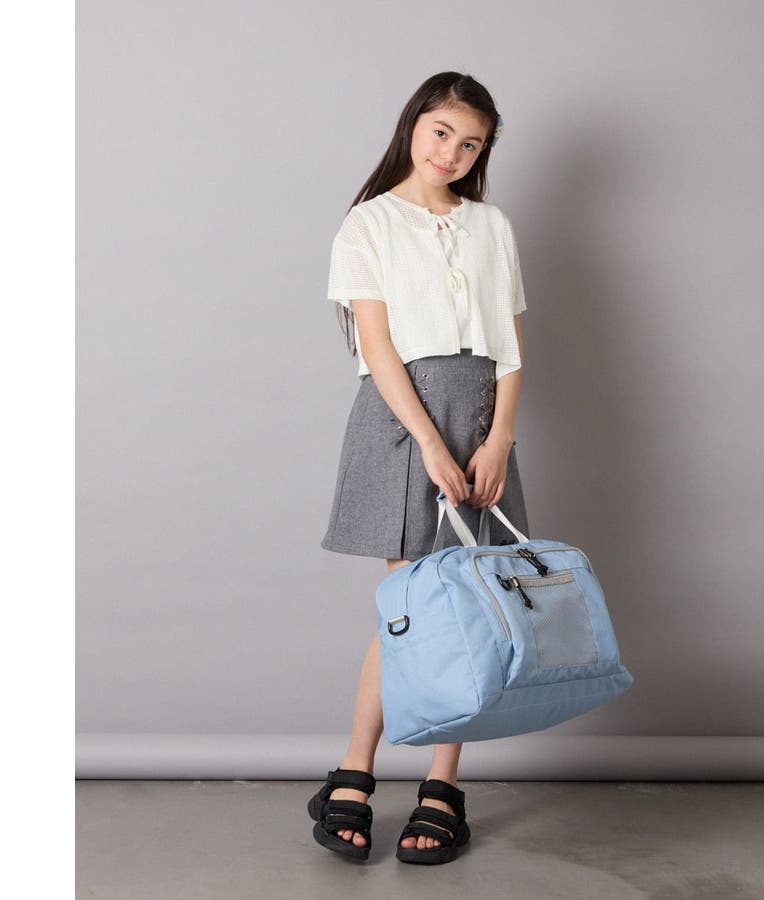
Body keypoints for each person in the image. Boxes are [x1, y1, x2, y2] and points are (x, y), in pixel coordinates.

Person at [310, 71, 530, 865]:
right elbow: (377, 346)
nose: (452, 152)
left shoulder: (491, 225)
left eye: (470, 143)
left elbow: (510, 346)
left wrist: (497, 439)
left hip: (480, 419)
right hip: (404, 420)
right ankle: (355, 771)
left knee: (466, 599)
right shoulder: (367, 223)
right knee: (411, 603)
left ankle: (442, 786)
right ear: (414, 125)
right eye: (442, 133)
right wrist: (432, 444)